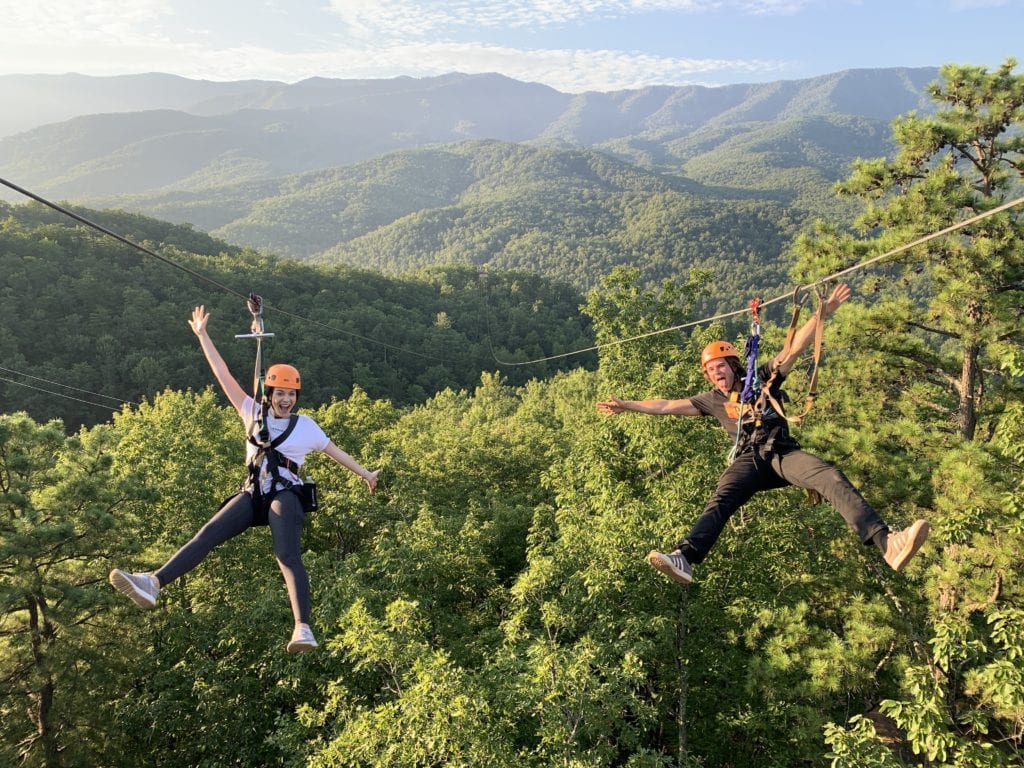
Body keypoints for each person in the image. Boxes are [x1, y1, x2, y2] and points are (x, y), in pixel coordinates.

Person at [596, 283, 929, 586]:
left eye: (720, 367)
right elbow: (668, 404)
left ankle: (887, 543)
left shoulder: (763, 378)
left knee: (828, 476)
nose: (716, 374)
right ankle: (685, 557)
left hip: (782, 453)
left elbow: (794, 350)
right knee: (722, 500)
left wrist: (820, 315)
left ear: (734, 365)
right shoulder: (712, 401)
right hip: (747, 460)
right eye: (711, 371)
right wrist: (628, 405)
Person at [110, 305, 380, 652]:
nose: (286, 399)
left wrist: (365, 474)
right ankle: (154, 582)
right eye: (280, 393)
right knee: (207, 534)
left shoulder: (306, 426)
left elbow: (336, 452)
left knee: (287, 555)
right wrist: (203, 336)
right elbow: (222, 374)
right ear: (269, 394)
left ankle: (302, 627)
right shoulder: (251, 411)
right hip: (253, 493)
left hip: (286, 494)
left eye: (291, 394)